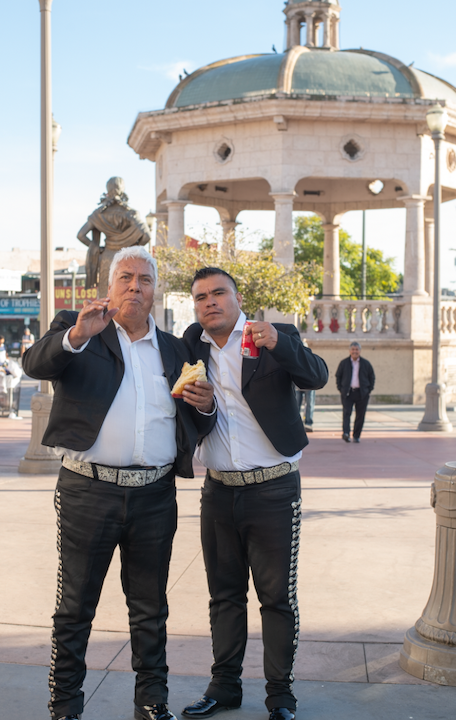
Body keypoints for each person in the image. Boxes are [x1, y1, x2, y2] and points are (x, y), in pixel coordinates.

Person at [22, 247, 216, 720]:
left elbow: (195, 421)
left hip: (154, 495)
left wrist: (206, 405)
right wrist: (74, 336)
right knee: (75, 607)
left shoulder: (175, 349)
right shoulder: (81, 328)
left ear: (155, 290)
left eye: (144, 279)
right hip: (88, 491)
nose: (135, 286)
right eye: (125, 278)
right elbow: (35, 364)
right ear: (109, 288)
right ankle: (65, 705)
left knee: (149, 608)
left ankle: (152, 702)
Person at [181, 267, 328, 720]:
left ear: (237, 297)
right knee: (224, 596)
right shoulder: (190, 344)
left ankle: (280, 696)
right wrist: (203, 407)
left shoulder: (273, 335)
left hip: (274, 491)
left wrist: (281, 345)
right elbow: (192, 412)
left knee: (276, 597)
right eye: (201, 296)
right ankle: (224, 687)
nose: (210, 302)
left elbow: (317, 377)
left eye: (219, 293)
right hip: (220, 491)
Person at [77, 176, 151, 296]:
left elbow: (81, 235)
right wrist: (133, 248)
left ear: (107, 190)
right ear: (122, 189)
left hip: (107, 258)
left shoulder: (99, 214)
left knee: (105, 294)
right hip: (127, 259)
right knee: (128, 293)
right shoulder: (130, 213)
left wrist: (98, 248)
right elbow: (146, 236)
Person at [335, 341, 375, 443]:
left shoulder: (366, 363)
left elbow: (372, 377)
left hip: (362, 393)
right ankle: (346, 433)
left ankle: (356, 435)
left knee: (360, 415)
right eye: (353, 349)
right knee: (346, 413)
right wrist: (341, 388)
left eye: (357, 350)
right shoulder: (344, 363)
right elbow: (338, 376)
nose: (355, 351)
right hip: (348, 393)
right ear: (349, 351)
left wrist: (368, 390)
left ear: (360, 351)